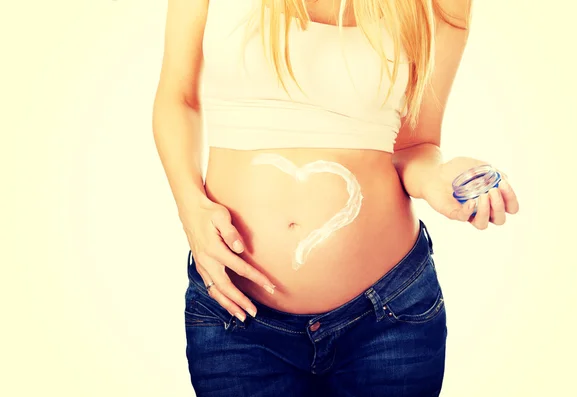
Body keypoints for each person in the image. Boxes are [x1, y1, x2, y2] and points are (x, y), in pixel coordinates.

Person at [152, 0, 519, 396]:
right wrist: (190, 207)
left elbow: (415, 145)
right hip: (236, 316)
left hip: (388, 317)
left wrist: (440, 178)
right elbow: (179, 97)